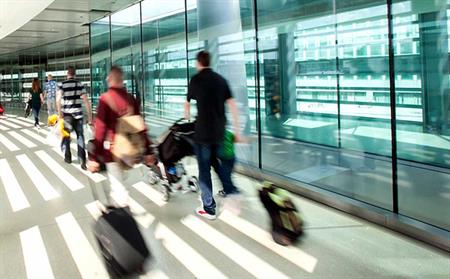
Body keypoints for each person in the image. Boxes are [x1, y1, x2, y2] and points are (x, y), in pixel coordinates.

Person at [88, 66, 156, 207]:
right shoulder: (131, 99)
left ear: (111, 79)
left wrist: (94, 158)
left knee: (118, 189)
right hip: (131, 151)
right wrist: (148, 151)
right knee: (118, 184)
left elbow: (100, 130)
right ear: (122, 80)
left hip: (113, 152)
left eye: (108, 78)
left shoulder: (105, 99)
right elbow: (141, 125)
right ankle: (118, 210)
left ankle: (123, 221)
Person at [184, 50, 240, 220]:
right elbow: (232, 105)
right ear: (209, 61)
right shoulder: (221, 80)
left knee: (204, 169)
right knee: (217, 164)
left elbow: (186, 105)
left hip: (203, 133)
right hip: (219, 132)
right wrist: (237, 130)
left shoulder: (195, 79)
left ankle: (209, 208)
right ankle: (231, 190)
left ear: (198, 63)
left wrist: (187, 117)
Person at [56, 66, 92, 170]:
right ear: (75, 74)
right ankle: (83, 161)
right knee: (80, 136)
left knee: (66, 136)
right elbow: (86, 101)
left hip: (67, 115)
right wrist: (90, 117)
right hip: (79, 115)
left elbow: (58, 100)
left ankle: (68, 157)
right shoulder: (80, 84)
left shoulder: (62, 84)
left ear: (67, 74)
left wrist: (59, 113)